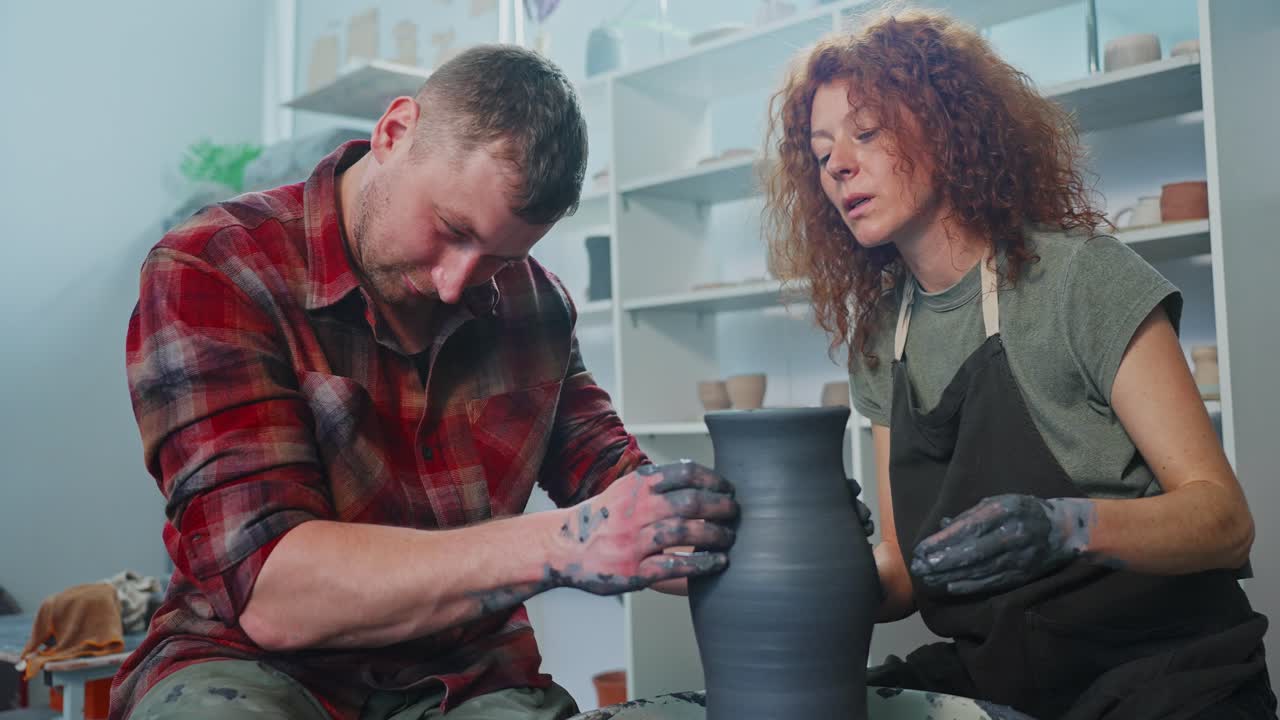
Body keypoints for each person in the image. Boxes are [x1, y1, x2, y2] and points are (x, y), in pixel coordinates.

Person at [113, 45, 741, 720]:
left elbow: (617, 485)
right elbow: (273, 593)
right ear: (394, 133)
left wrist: (733, 520)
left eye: (500, 259)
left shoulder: (535, 305)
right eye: (451, 229)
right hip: (251, 666)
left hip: (466, 676)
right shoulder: (214, 268)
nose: (455, 283)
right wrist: (568, 540)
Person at [763, 10, 1276, 720]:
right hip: (1008, 678)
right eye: (822, 154)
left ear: (944, 126)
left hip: (1165, 674)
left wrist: (1066, 527)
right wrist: (818, 556)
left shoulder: (1079, 280)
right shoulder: (883, 338)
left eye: (867, 132)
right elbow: (908, 575)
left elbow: (1225, 520)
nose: (840, 165)